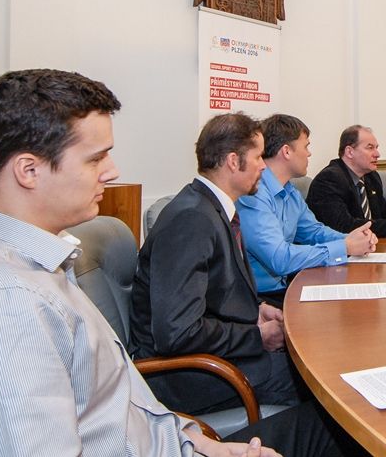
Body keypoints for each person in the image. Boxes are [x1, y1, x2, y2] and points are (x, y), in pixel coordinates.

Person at [0, 69, 279, 456]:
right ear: (29, 171)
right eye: (95, 158)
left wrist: (201, 444)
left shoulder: (40, 263)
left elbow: (123, 410)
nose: (111, 171)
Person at [130, 113, 304, 413]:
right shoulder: (192, 219)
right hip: (189, 376)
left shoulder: (208, 208)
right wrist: (257, 336)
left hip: (214, 358)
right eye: (258, 157)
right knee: (318, 382)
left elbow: (213, 293)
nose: (264, 166)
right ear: (234, 161)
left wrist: (256, 310)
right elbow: (178, 332)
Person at [238, 114, 378, 306]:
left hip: (286, 286)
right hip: (259, 299)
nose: (309, 154)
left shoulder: (290, 191)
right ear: (286, 151)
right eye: (306, 146)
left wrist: (352, 239)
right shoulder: (254, 194)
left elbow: (314, 232)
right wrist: (344, 246)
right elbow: (279, 258)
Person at [307, 125, 386, 238]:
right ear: (350, 152)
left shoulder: (371, 176)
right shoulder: (329, 179)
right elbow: (344, 226)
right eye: (370, 148)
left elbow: (384, 212)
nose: (377, 154)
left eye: (376, 148)